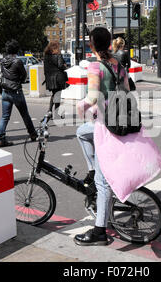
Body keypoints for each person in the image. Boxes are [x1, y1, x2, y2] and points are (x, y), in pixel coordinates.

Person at [74, 27, 131, 246]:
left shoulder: (95, 66)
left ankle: (100, 232)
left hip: (106, 127)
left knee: (102, 182)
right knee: (81, 133)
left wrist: (80, 107)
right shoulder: (118, 64)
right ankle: (91, 169)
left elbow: (91, 97)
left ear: (91, 45)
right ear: (108, 44)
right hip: (117, 121)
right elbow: (126, 90)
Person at [0, 39, 38, 148]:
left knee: (5, 116)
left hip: (5, 91)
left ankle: (1, 137)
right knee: (25, 114)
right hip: (16, 91)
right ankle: (33, 134)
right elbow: (24, 75)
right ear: (16, 49)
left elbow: (3, 74)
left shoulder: (2, 61)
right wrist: (18, 80)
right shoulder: (17, 61)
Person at [43, 41, 68, 119]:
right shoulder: (58, 55)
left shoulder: (46, 56)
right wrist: (65, 66)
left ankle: (49, 111)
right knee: (57, 95)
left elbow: (45, 69)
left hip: (50, 78)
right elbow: (61, 65)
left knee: (54, 94)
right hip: (58, 78)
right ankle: (56, 113)